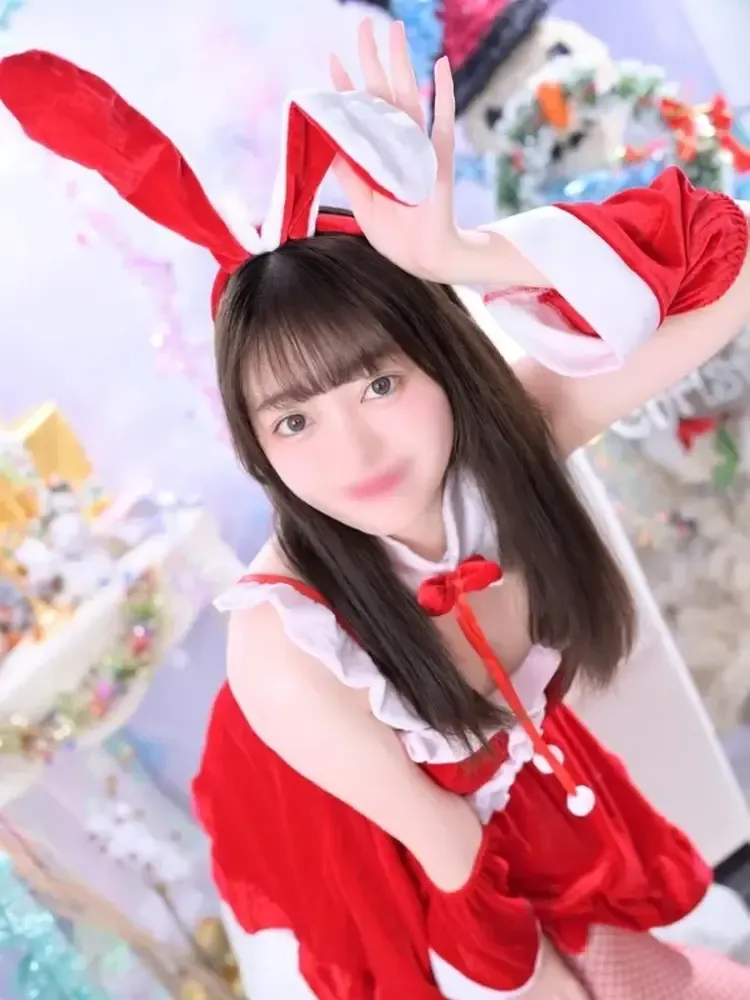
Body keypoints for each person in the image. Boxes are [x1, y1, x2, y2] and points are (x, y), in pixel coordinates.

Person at [3, 20, 750, 1000]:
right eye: (294, 419)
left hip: (521, 813)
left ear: (438, 359)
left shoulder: (503, 447)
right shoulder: (288, 644)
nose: (352, 453)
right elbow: (452, 860)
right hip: (386, 877)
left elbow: (730, 262)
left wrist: (459, 252)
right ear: (255, 442)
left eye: (379, 385)